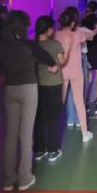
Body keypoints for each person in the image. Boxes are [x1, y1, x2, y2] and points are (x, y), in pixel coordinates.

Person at [0, 10, 57, 192]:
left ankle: (9, 180)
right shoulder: (30, 45)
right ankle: (25, 178)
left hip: (10, 90)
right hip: (28, 90)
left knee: (11, 135)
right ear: (23, 26)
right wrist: (52, 66)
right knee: (25, 135)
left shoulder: (3, 46)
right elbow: (48, 59)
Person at [55, 7, 97, 143]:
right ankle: (85, 133)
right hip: (76, 73)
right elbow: (91, 36)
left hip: (62, 72)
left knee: (60, 102)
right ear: (73, 23)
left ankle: (53, 134)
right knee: (79, 101)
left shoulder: (56, 34)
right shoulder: (77, 34)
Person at [33, 16, 65, 162]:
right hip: (54, 84)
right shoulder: (55, 44)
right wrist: (67, 50)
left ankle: (40, 150)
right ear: (49, 30)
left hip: (38, 84)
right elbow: (62, 62)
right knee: (53, 117)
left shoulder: (33, 45)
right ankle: (53, 150)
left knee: (40, 117)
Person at [82, 1, 97, 116]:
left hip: (87, 51)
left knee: (88, 78)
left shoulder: (83, 20)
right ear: (96, 10)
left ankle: (85, 104)